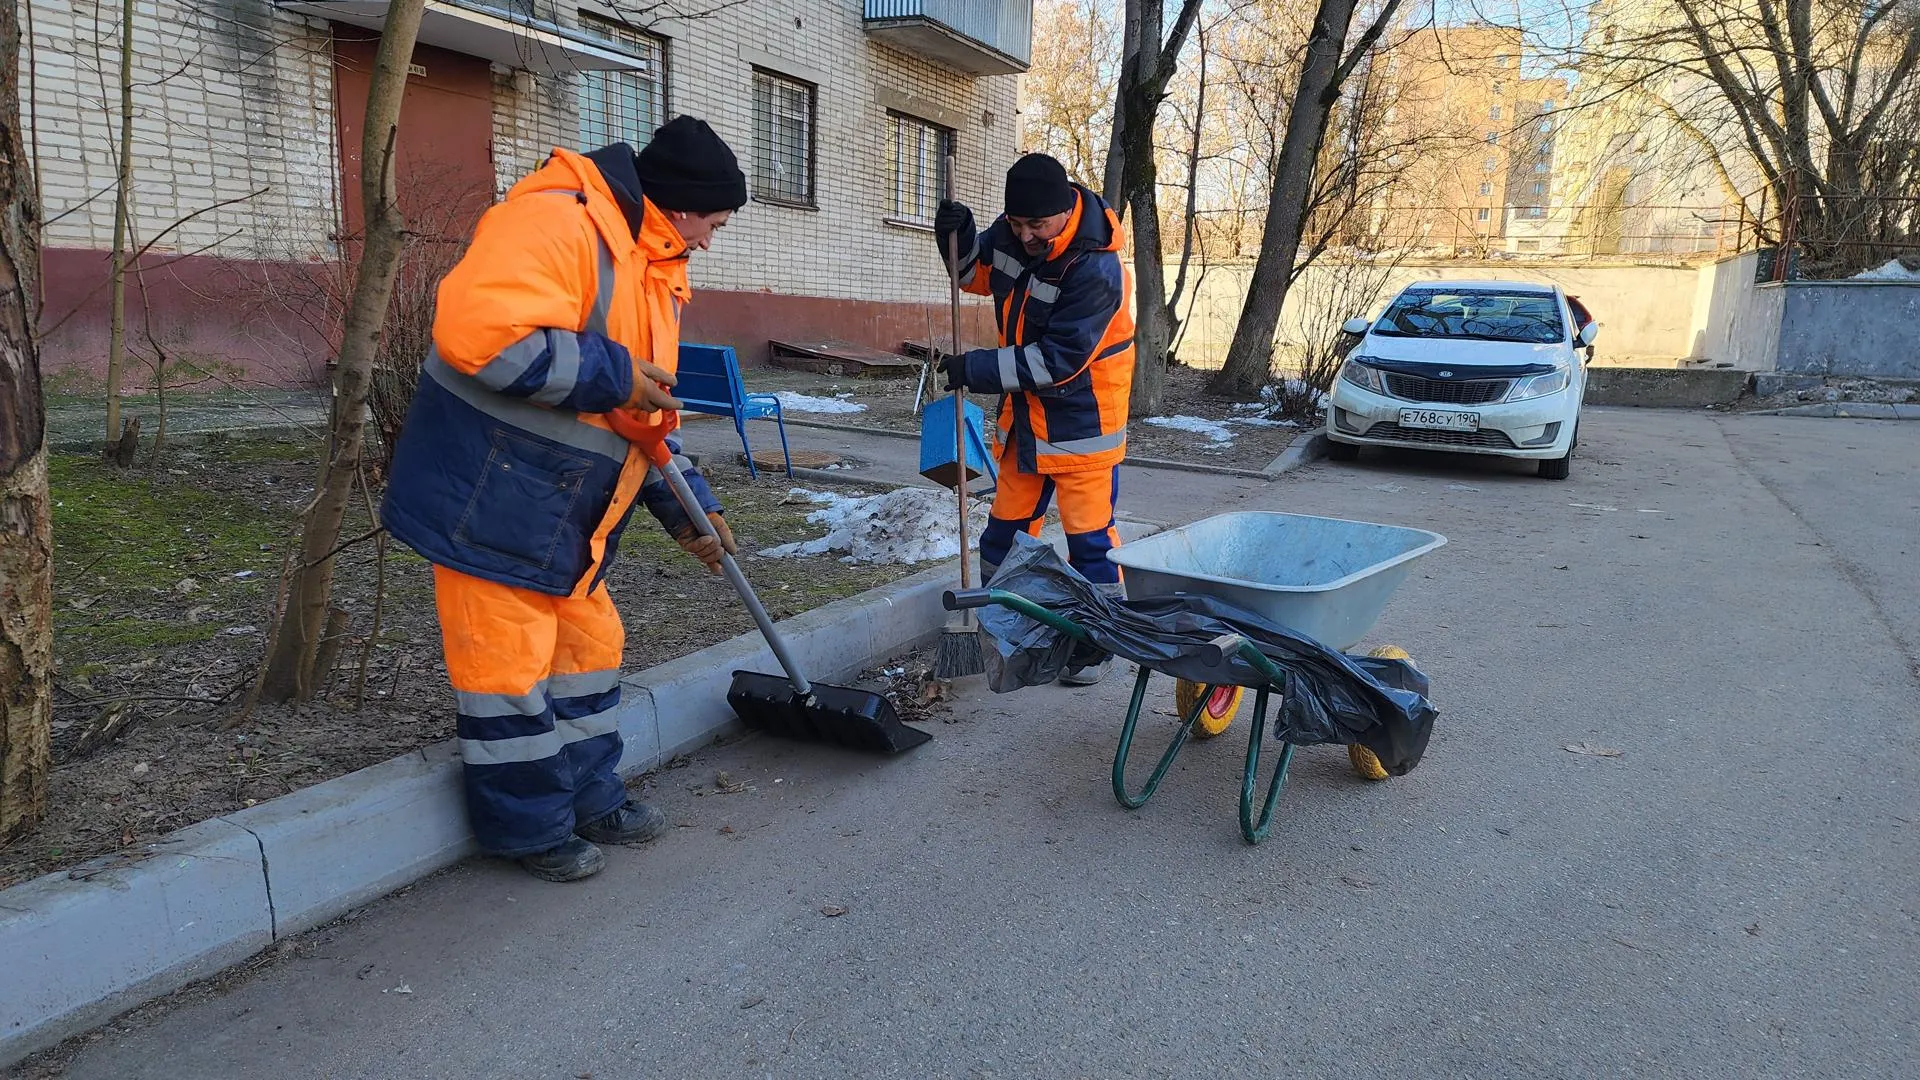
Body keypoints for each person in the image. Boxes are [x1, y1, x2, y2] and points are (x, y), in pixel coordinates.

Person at [381, 116, 748, 882]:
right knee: (505, 673)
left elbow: (642, 417)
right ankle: (528, 829)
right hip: (492, 501)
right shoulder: (558, 220)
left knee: (589, 652)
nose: (710, 241)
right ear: (681, 207)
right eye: (712, 223)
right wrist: (612, 374)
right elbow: (478, 334)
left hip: (562, 515)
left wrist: (690, 509)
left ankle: (590, 796)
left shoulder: (651, 264)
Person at [933, 153, 1135, 686]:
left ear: (1066, 209)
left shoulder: (1097, 266)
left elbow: (1057, 360)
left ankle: (1098, 642)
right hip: (1027, 424)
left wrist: (973, 368)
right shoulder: (1013, 232)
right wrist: (956, 239)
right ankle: (1010, 629)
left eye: (1036, 226)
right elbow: (973, 276)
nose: (1024, 236)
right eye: (1016, 224)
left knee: (1091, 544)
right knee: (1002, 535)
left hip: (1083, 426)